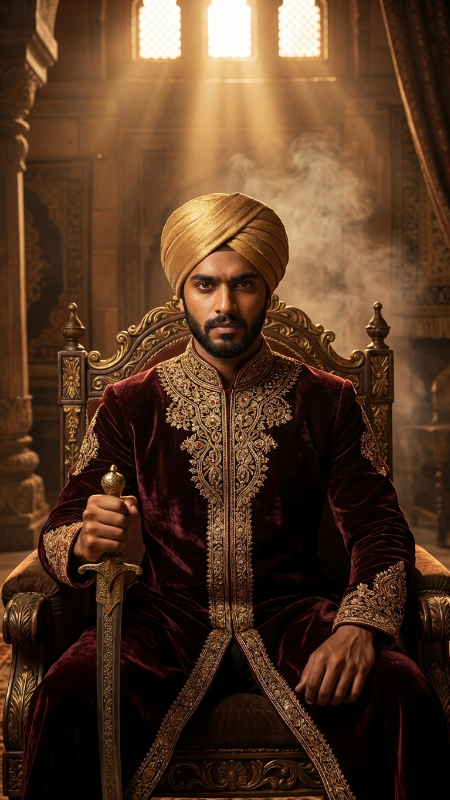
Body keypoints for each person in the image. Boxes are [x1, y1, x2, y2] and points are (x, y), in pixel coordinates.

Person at [23, 193, 450, 800]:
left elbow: (379, 525)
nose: (225, 304)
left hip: (295, 616)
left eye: (244, 283)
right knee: (64, 694)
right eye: (206, 285)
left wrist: (360, 627)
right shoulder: (129, 403)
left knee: (401, 691)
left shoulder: (327, 402)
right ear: (182, 294)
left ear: (269, 290)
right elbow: (62, 524)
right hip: (160, 621)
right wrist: (83, 541)